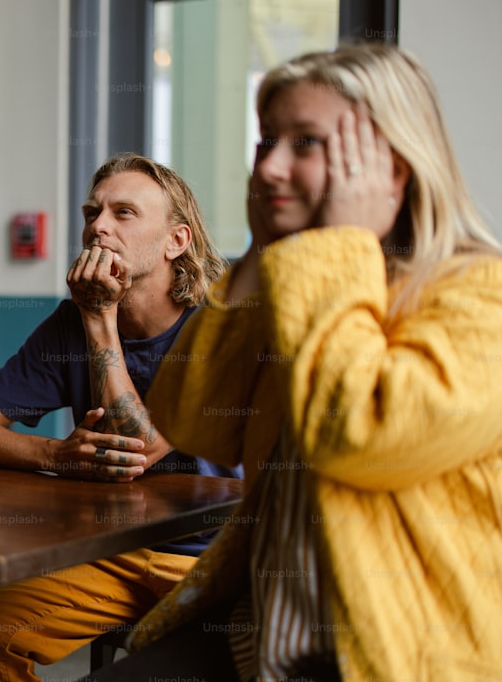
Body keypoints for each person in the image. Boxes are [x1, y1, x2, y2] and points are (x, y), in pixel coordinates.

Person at [81, 44, 502, 682]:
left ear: (392, 164)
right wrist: (258, 255)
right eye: (266, 141)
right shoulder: (304, 280)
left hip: (397, 651)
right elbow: (194, 420)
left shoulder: (479, 293)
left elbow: (359, 436)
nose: (271, 167)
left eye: (304, 142)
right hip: (266, 628)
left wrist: (335, 247)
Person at [0, 153, 240, 681]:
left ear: (176, 241)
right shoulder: (71, 322)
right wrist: (53, 454)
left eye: (124, 213)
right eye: (92, 212)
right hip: (113, 552)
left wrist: (99, 320)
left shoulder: (216, 328)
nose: (97, 227)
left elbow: (136, 448)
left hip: (210, 561)